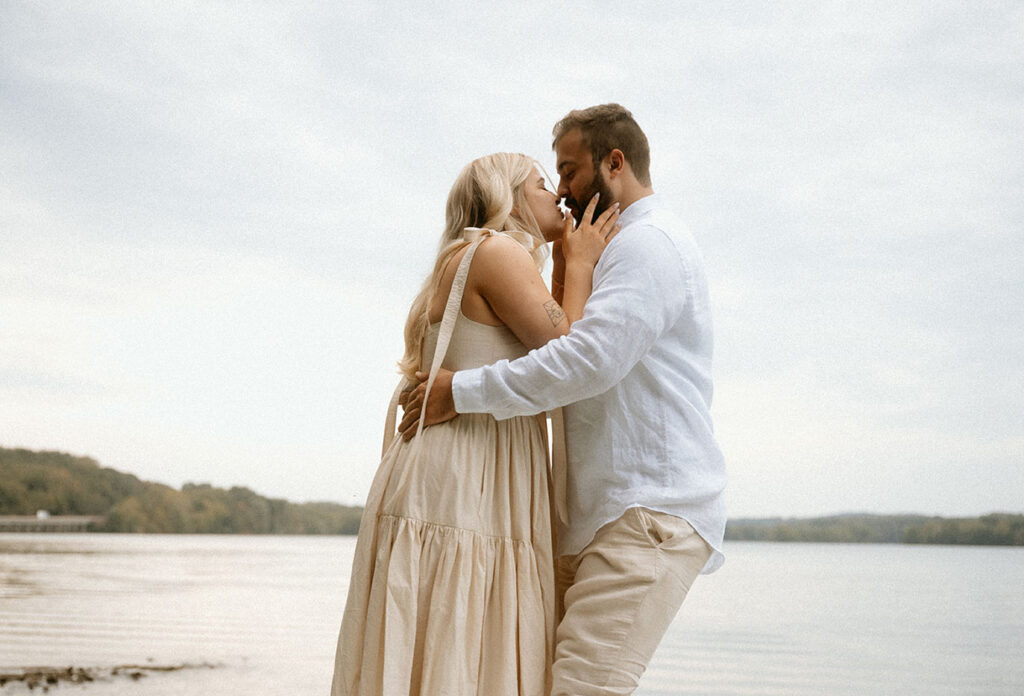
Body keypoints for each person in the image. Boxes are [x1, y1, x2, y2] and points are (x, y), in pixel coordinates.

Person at [399, 104, 728, 696]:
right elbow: (570, 341)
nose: (565, 193)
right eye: (552, 179)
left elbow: (586, 363)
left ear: (615, 163)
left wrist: (460, 390)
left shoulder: (648, 245)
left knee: (583, 688)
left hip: (646, 512)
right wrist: (568, 272)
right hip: (593, 519)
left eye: (569, 173)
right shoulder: (608, 252)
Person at [331, 152, 620, 696]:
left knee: (437, 637)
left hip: (447, 468)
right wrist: (579, 264)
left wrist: (561, 267)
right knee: (463, 637)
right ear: (507, 198)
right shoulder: (498, 252)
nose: (556, 193)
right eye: (541, 183)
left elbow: (542, 343)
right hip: (472, 473)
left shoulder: (471, 256)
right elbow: (569, 355)